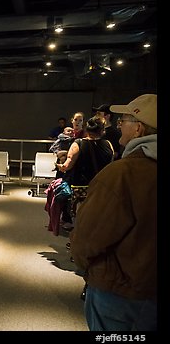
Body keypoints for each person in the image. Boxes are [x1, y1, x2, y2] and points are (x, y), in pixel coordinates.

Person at [69, 94, 157, 331]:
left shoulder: (124, 174)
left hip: (122, 291)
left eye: (123, 120)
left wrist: (85, 267)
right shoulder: (113, 153)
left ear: (138, 129)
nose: (117, 125)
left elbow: (88, 238)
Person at [56, 115, 114, 227]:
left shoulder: (78, 144)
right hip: (101, 187)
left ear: (87, 130)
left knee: (80, 217)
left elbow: (67, 166)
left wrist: (59, 165)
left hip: (81, 188)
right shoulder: (108, 144)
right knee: (99, 216)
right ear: (102, 131)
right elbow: (110, 165)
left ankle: (78, 239)